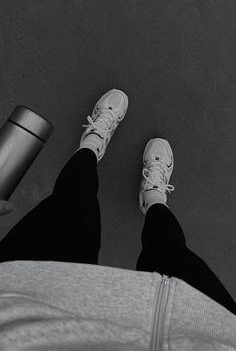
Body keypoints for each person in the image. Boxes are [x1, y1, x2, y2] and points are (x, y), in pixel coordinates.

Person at [0, 88, 235, 350]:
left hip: (24, 303)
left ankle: (91, 144)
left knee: (70, 208)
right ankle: (154, 197)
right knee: (170, 249)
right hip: (212, 332)